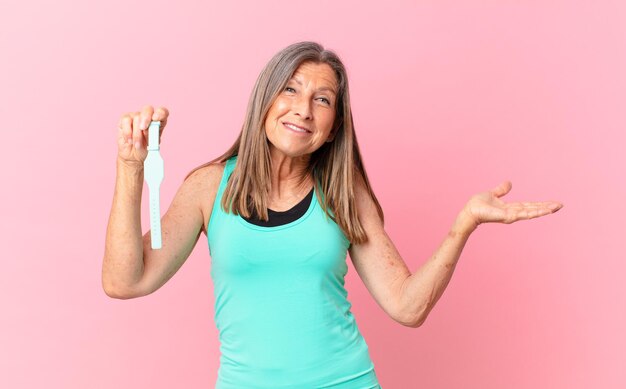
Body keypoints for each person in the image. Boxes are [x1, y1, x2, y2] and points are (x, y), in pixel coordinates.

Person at [102, 41, 563, 388]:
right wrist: (130, 168)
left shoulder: (344, 193)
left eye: (322, 99)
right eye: (290, 89)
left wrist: (461, 226)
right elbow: (125, 281)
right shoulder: (209, 187)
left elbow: (406, 306)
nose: (303, 108)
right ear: (265, 99)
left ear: (333, 127)